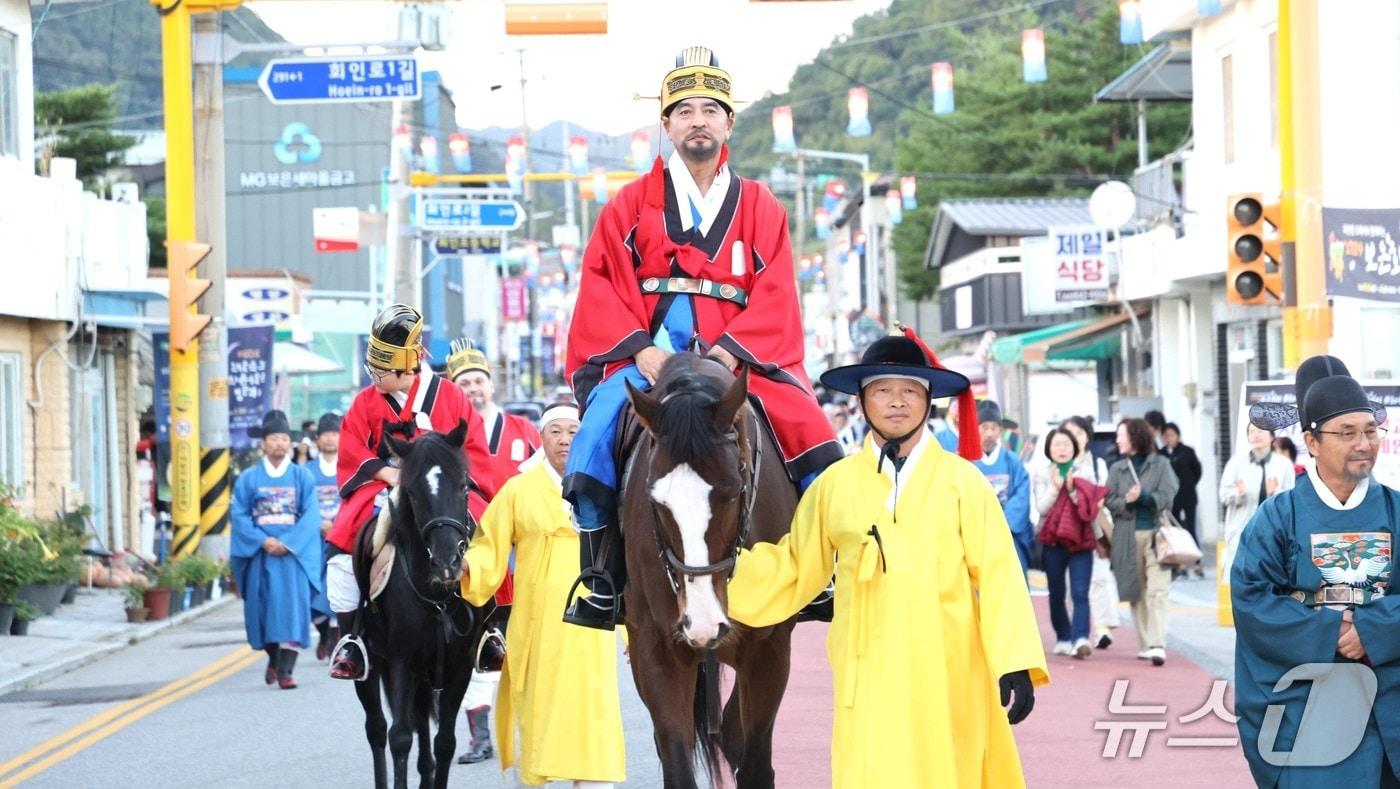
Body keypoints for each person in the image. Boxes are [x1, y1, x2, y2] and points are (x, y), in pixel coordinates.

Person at [560, 46, 844, 630]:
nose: (698, 121)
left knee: (817, 440)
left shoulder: (761, 205)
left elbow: (775, 289)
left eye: (710, 110)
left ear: (728, 122)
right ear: (665, 125)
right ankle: (601, 580)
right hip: (648, 356)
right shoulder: (628, 206)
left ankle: (817, 574)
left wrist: (731, 351)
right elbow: (602, 283)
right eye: (684, 111)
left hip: (738, 357)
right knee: (591, 442)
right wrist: (640, 348)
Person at [726, 330, 1046, 787]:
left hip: (948, 667)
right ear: (861, 400)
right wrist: (716, 574)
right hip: (868, 671)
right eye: (882, 390)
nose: (897, 401)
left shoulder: (964, 483)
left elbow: (999, 575)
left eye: (910, 390)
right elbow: (795, 565)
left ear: (929, 399)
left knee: (947, 770)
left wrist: (1015, 660)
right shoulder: (834, 485)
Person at [1232, 355, 1399, 786]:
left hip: (1390, 691)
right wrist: (1329, 631)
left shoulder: (1396, 510)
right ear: (1312, 440)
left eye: (1369, 430)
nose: (1364, 443)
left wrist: (1373, 629)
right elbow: (1252, 600)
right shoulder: (1277, 517)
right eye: (1347, 433)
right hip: (1312, 695)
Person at [324, 304, 497, 681]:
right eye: (372, 368)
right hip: (386, 484)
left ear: (407, 367)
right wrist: (389, 473)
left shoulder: (450, 396)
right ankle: (352, 638)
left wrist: (446, 476)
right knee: (343, 550)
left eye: (381, 371)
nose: (374, 377)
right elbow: (353, 447)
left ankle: (490, 630)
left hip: (445, 488)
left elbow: (474, 449)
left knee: (490, 537)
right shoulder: (365, 402)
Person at [460, 403, 626, 787]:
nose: (564, 439)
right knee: (538, 700)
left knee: (589, 702)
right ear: (541, 437)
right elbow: (490, 542)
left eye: (572, 431)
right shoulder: (520, 488)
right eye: (555, 431)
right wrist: (471, 566)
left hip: (591, 615)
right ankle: (537, 775)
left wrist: (632, 626)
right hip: (536, 618)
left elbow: (626, 555)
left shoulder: (601, 485)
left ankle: (592, 777)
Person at [229, 410, 323, 690]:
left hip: (291, 556)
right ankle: (273, 657)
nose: (280, 444)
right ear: (264, 444)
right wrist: (262, 540)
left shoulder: (301, 477)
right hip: (261, 554)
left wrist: (289, 542)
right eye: (274, 439)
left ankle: (286, 672)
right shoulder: (248, 478)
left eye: (284, 439)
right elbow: (239, 514)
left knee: (292, 612)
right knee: (263, 611)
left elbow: (311, 515)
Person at [1105, 417, 1179, 666]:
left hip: (1158, 535)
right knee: (1136, 590)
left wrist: (1144, 496)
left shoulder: (1161, 464)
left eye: (1121, 435)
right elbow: (1109, 501)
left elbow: (1168, 495)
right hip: (1126, 535)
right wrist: (1127, 500)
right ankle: (1146, 643)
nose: (1117, 440)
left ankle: (1158, 644)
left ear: (1134, 436)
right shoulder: (1117, 468)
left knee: (1158, 590)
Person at [1033, 427, 1108, 659]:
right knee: (1056, 592)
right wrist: (1056, 488)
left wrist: (1073, 489)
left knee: (1080, 592)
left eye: (1066, 444)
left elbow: (1091, 507)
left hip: (1082, 540)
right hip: (1053, 541)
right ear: (1049, 449)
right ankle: (1064, 636)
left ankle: (1081, 638)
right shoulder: (1042, 474)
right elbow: (1041, 508)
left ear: (1075, 448)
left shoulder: (1085, 472)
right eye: (1057, 444)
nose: (1062, 449)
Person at [447, 338, 542, 486]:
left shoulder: (523, 429)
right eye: (464, 384)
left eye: (479, 381)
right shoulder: (446, 435)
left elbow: (546, 477)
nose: (473, 389)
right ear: (453, 391)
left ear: (491, 385)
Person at [1060, 416, 1120, 649]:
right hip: (1066, 531)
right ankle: (1077, 630)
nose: (1075, 437)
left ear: (1087, 436)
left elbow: (1105, 493)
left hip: (1093, 529)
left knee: (1100, 578)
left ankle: (1103, 628)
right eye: (1070, 433)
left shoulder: (1097, 464)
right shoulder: (1058, 463)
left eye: (1080, 432)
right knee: (1070, 583)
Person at [1219, 423, 1296, 581]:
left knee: (1271, 577)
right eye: (1251, 432)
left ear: (1272, 437)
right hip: (1241, 528)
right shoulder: (1236, 463)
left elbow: (1292, 499)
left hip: (1272, 531)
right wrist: (1239, 494)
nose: (1255, 435)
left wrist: (1275, 493)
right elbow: (1224, 495)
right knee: (1240, 577)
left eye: (1260, 431)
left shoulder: (1283, 464)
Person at [973, 400, 1034, 577]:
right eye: (984, 427)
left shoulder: (1013, 461)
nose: (990, 433)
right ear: (976, 428)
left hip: (1009, 534)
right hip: (976, 535)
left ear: (1001, 430)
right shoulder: (966, 462)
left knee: (1013, 582)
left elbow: (1021, 497)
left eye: (994, 428)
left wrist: (1001, 525)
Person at [307, 412, 341, 660]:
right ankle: (323, 631)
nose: (330, 439)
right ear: (317, 440)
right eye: (326, 435)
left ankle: (334, 638)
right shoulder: (306, 471)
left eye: (335, 434)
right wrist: (319, 522)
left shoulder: (349, 467)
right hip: (313, 537)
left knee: (337, 584)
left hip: (341, 536)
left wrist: (338, 524)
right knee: (312, 588)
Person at [1160, 422, 1205, 579]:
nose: (1169, 438)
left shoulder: (1187, 452)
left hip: (1188, 496)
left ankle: (1198, 563)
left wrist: (1190, 484)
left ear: (1178, 436)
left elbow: (1197, 470)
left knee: (1191, 529)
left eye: (1172, 435)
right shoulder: (1161, 455)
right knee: (1175, 531)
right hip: (1172, 499)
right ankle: (1181, 564)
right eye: (1165, 435)